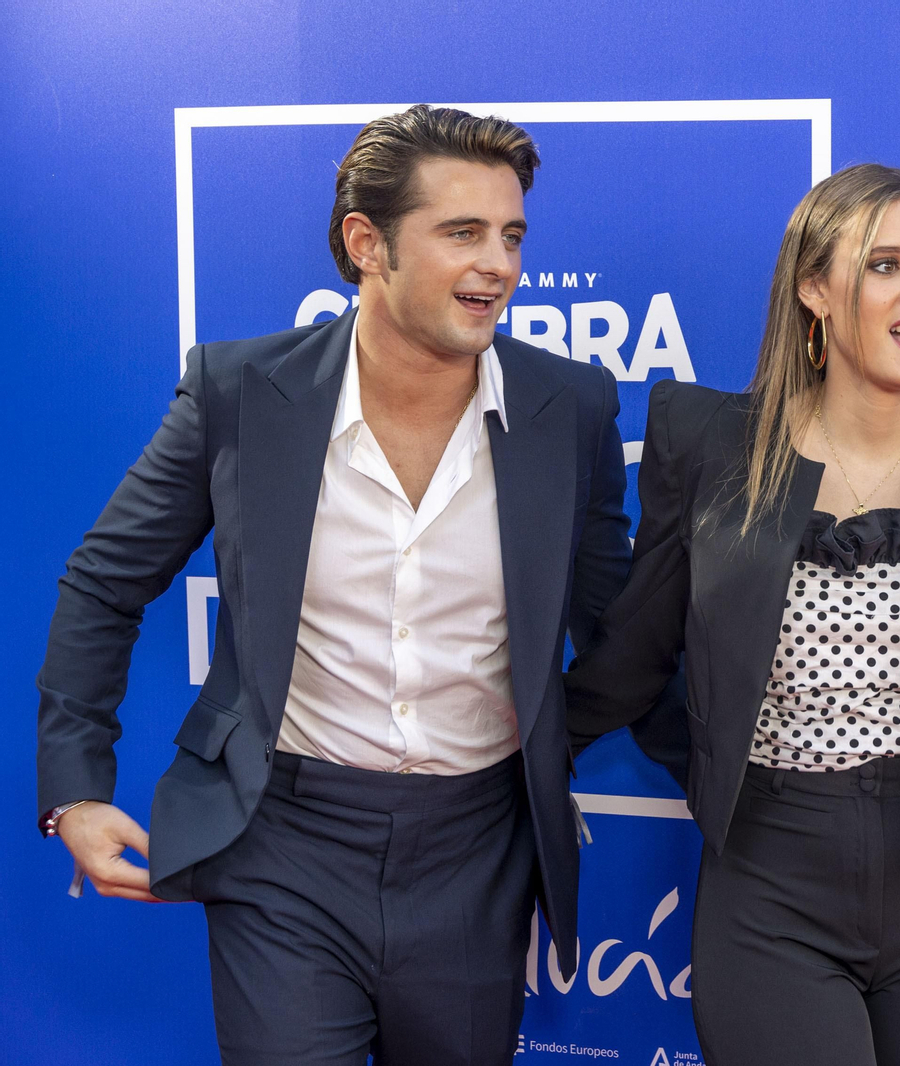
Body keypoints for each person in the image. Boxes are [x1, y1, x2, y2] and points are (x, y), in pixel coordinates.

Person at [35, 105, 634, 1065]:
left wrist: (552, 730)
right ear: (368, 244)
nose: (499, 265)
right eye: (462, 233)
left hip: (477, 851)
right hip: (283, 842)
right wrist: (76, 788)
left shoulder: (572, 407)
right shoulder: (239, 392)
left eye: (512, 235)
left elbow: (620, 626)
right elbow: (105, 580)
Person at [565, 163, 900, 1066]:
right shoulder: (713, 444)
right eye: (885, 264)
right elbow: (639, 657)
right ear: (814, 289)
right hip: (768, 885)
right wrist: (501, 755)